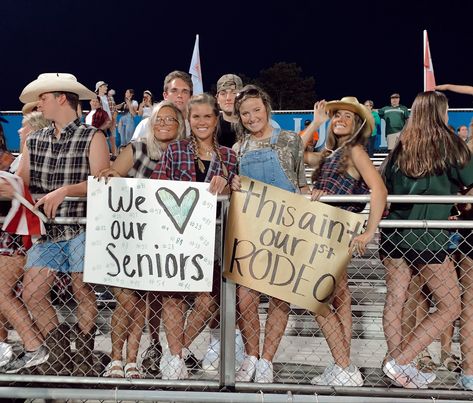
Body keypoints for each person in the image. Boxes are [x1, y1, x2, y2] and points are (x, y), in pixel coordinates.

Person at [1, 73, 110, 375]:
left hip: (82, 227)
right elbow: (20, 181)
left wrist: (64, 191)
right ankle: (60, 352)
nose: (39, 104)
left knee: (83, 291)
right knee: (32, 294)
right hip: (47, 233)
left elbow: (101, 180)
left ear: (62, 98)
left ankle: (84, 354)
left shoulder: (93, 136)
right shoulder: (34, 140)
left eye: (44, 97)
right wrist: (8, 186)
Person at [380, 91, 473, 388]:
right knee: (451, 305)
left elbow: (388, 186)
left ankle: (397, 367)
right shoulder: (450, 143)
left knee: (396, 300)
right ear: (441, 112)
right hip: (427, 235)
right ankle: (402, 362)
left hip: (394, 232)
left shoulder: (400, 146)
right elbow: (470, 180)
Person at [96, 101, 185, 378]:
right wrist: (110, 175)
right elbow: (113, 178)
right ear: (151, 122)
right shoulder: (135, 149)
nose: (164, 124)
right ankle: (115, 358)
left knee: (142, 302)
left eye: (170, 120)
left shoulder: (183, 154)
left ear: (180, 125)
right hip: (128, 237)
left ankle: (132, 359)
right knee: (126, 300)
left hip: (159, 241)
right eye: (159, 118)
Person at [152, 93, 238, 380]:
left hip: (214, 238)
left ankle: (175, 350)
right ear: (189, 120)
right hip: (178, 235)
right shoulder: (175, 151)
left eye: (207, 116)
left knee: (208, 302)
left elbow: (237, 198)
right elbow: (157, 189)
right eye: (195, 116)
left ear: (216, 120)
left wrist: (227, 185)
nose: (201, 122)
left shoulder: (228, 156)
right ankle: (175, 360)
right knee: (173, 298)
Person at [304, 97, 387, 386]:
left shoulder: (355, 151)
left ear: (358, 124)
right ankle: (344, 366)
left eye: (347, 117)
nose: (339, 119)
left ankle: (343, 365)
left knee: (317, 299)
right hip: (323, 231)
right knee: (339, 298)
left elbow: (379, 190)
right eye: (336, 115)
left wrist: (369, 231)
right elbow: (295, 153)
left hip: (337, 233)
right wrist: (316, 123)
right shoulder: (332, 152)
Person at [230, 85, 307, 383]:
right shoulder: (239, 149)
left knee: (279, 298)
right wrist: (234, 182)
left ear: (267, 109)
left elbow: (300, 184)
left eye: (256, 111)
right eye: (245, 113)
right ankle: (251, 355)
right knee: (245, 298)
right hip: (251, 230)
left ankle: (267, 360)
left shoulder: (289, 141)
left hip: (285, 228)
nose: (251, 118)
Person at [0, 111, 51, 372]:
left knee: (2, 291)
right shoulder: (19, 158)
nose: (19, 131)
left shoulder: (30, 157)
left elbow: (23, 187)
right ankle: (13, 347)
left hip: (19, 235)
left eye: (24, 127)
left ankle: (34, 346)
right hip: (12, 232)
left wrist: (11, 186)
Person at [132, 71, 193, 141]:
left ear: (190, 97)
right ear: (165, 95)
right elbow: (133, 151)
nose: (179, 95)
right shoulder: (146, 125)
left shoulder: (195, 128)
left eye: (184, 91)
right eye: (174, 91)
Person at [215, 74, 243, 148]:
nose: (228, 98)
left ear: (242, 97)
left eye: (234, 93)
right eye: (223, 93)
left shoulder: (252, 125)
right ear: (217, 98)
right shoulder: (211, 128)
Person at [95, 81, 117, 156]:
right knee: (102, 142)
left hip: (110, 122)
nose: (106, 88)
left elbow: (115, 111)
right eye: (105, 86)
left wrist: (113, 123)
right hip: (101, 124)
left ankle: (114, 157)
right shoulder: (95, 98)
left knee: (112, 141)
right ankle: (104, 158)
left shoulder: (110, 98)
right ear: (100, 87)